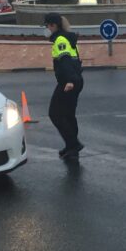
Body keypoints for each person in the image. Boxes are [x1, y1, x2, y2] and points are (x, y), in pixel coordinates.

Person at [44, 12, 84, 160]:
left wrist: (70, 81)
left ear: (53, 25)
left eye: (47, 26)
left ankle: (73, 144)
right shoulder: (68, 38)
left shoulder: (60, 40)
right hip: (76, 79)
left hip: (68, 82)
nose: (47, 29)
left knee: (55, 113)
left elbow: (65, 61)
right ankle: (71, 147)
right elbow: (75, 61)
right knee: (68, 115)